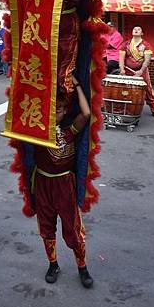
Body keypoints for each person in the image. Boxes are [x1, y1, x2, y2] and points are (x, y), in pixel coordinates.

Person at [33, 77, 94, 288]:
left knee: (73, 229)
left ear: (65, 111)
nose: (54, 113)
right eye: (51, 109)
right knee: (47, 227)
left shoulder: (70, 132)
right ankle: (53, 264)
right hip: (42, 183)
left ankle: (82, 267)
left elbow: (86, 114)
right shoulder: (38, 130)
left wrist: (77, 85)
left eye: (58, 109)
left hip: (64, 185)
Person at [119, 26, 154, 119]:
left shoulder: (146, 45)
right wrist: (122, 69)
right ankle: (125, 108)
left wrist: (141, 71)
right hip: (128, 71)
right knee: (125, 90)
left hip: (142, 71)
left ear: (142, 33)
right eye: (134, 29)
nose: (136, 30)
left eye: (138, 29)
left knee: (148, 90)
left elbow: (147, 60)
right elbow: (121, 58)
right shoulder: (126, 44)